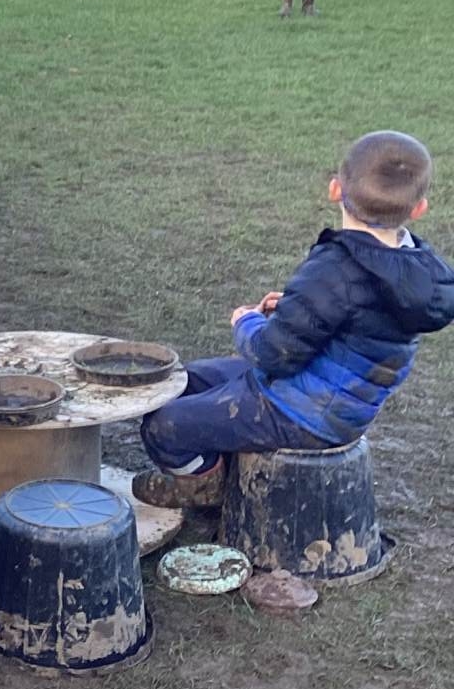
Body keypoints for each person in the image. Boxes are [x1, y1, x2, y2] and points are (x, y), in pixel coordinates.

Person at [135, 132, 454, 508]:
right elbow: (360, 319)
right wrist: (295, 308)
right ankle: (225, 467)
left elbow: (273, 354)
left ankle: (206, 490)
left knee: (164, 425)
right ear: (419, 208)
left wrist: (246, 322)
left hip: (302, 414)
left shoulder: (335, 268)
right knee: (181, 382)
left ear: (335, 189)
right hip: (330, 401)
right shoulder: (417, 269)